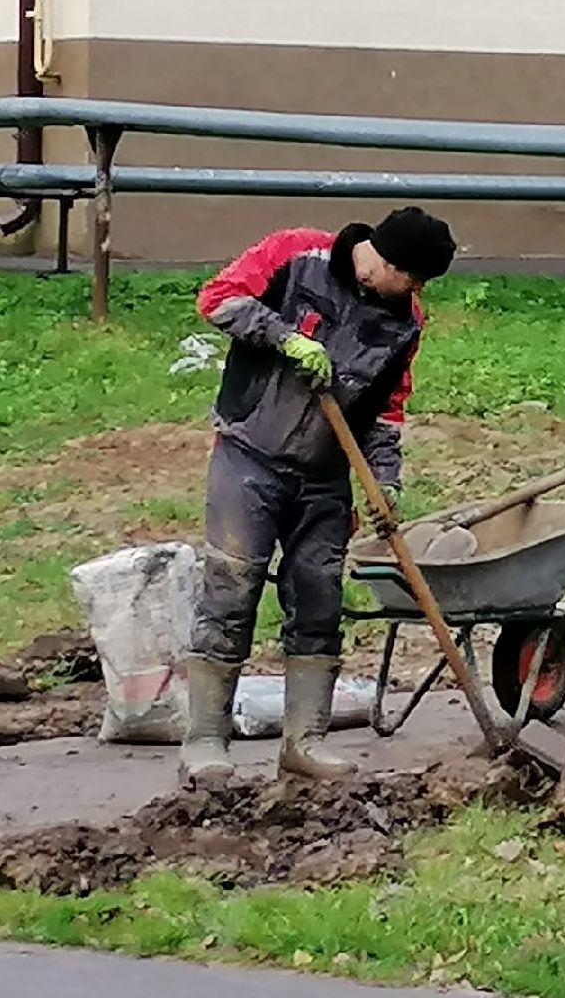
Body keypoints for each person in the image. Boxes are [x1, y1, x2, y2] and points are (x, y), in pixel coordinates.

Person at [180, 206, 456, 781]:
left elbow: (388, 411)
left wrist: (385, 483)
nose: (418, 291)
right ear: (384, 258)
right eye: (415, 277)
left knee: (319, 598)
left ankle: (303, 741)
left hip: (324, 474)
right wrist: (284, 338)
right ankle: (206, 741)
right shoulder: (296, 254)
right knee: (232, 588)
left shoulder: (405, 319)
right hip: (248, 454)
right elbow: (219, 299)